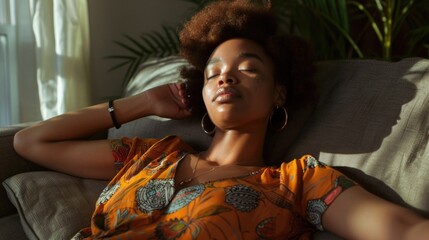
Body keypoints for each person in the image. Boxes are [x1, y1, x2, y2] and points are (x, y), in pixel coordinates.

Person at [13, 0, 429, 239]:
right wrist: (138, 104)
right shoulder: (151, 154)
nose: (225, 76)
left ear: (279, 92)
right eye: (213, 72)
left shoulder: (298, 182)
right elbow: (30, 143)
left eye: (247, 68)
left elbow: (405, 230)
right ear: (203, 94)